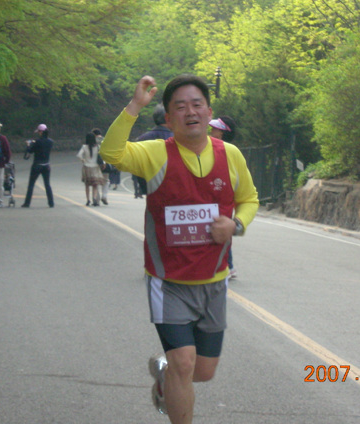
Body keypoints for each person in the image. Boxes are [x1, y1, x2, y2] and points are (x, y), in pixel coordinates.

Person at [100, 75, 259, 423]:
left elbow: (249, 199)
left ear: (209, 113)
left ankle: (164, 375)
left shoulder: (230, 155)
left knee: (202, 371)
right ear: (170, 119)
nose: (190, 112)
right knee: (184, 364)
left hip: (214, 281)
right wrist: (135, 106)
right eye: (181, 107)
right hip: (168, 281)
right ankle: (173, 376)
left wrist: (235, 225)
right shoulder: (156, 153)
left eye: (197, 104)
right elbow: (111, 153)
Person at [209, 116, 238, 279]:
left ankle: (228, 266)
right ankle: (229, 266)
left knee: (219, 231)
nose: (211, 131)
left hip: (220, 198)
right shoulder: (210, 148)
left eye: (215, 129)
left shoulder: (228, 152)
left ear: (222, 133)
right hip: (215, 198)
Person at [132, 104, 173, 197]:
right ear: (169, 118)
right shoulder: (180, 140)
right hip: (174, 190)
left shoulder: (142, 139)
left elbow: (137, 166)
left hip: (150, 189)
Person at [22, 124, 54, 208]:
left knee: (31, 184)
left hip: (37, 165)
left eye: (39, 132)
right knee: (47, 184)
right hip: (46, 165)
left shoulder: (37, 142)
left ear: (41, 132)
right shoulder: (50, 142)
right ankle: (51, 203)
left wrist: (28, 145)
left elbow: (30, 151)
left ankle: (27, 203)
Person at [76, 132, 104, 206]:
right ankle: (94, 198)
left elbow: (79, 155)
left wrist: (83, 160)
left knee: (87, 184)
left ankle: (88, 200)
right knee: (95, 184)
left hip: (86, 167)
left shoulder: (84, 147)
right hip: (95, 167)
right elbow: (102, 156)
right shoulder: (97, 147)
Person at [92, 128, 110, 205]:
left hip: (95, 164)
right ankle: (104, 196)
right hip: (105, 163)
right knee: (106, 180)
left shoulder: (92, 141)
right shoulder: (106, 140)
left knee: (96, 181)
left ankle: (96, 199)